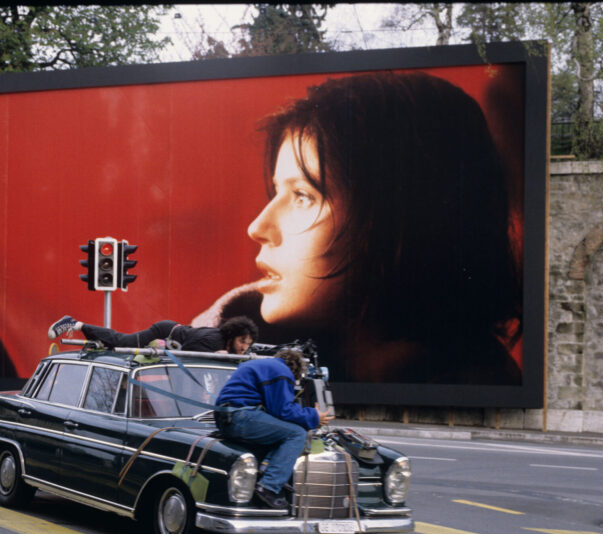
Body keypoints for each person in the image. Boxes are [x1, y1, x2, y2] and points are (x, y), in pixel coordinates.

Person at [192, 71, 522, 386]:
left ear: (399, 219)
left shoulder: (483, 385)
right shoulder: (202, 358)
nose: (257, 227)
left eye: (304, 196)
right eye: (277, 192)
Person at [214, 348, 334, 509]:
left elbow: (274, 411)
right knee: (296, 434)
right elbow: (283, 410)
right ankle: (269, 486)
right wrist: (314, 416)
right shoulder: (283, 372)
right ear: (296, 369)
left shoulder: (262, 365)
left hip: (230, 418)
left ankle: (266, 469)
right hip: (241, 417)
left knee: (281, 431)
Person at [48, 315, 258, 355]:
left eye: (248, 344)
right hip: (163, 331)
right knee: (122, 341)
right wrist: (216, 356)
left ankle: (98, 342)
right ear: (232, 335)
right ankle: (75, 323)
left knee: (116, 346)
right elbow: (189, 352)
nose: (244, 347)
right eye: (242, 341)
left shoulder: (225, 345)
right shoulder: (214, 341)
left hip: (170, 333)